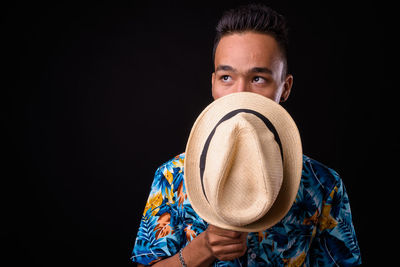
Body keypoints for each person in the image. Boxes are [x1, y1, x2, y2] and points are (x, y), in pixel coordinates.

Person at [131, 3, 361, 266]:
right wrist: (202, 249)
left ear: (285, 88)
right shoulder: (172, 177)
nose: (240, 93)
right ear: (213, 83)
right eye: (227, 77)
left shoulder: (323, 185)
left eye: (258, 79)